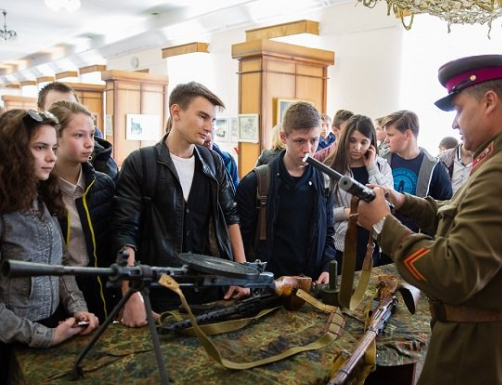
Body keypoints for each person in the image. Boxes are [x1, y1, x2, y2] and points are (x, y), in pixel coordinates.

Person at [356, 54, 502, 385]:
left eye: (459, 108)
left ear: (489, 102)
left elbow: (453, 273)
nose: (454, 123)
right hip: (497, 354)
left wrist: (384, 224)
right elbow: (459, 216)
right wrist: (402, 201)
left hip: (472, 364)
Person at [112, 82, 248, 327]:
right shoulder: (140, 163)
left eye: (213, 120)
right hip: (159, 292)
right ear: (176, 112)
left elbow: (231, 216)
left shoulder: (214, 162)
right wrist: (130, 294)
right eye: (202, 117)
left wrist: (241, 274)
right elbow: (125, 232)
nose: (209, 127)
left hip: (211, 291)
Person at [0, 109, 99, 385]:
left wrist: (78, 309)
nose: (52, 157)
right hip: (11, 346)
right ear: (14, 151)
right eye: (40, 148)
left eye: (53, 148)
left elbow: (60, 264)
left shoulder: (41, 197)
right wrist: (47, 336)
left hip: (51, 329)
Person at [236, 102, 334, 284]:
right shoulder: (254, 183)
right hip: (268, 283)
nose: (308, 149)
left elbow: (328, 231)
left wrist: (327, 266)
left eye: (314, 141)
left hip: (311, 281)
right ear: (283, 137)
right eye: (300, 141)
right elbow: (241, 238)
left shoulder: (325, 181)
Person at [48, 101, 117, 323]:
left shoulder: (103, 184)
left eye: (91, 135)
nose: (89, 143)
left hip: (100, 286)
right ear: (55, 138)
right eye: (79, 135)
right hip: (56, 293)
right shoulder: (38, 190)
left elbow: (113, 243)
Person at [324, 114, 392, 271]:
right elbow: (322, 213)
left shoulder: (381, 166)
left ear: (371, 143)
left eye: (364, 142)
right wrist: (348, 213)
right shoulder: (331, 167)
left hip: (372, 244)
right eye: (352, 141)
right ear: (344, 139)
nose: (357, 147)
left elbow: (388, 203)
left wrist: (371, 168)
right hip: (340, 245)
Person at [382, 110, 452, 232]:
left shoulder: (435, 167)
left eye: (391, 135)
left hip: (417, 238)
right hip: (383, 236)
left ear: (407, 134)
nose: (385, 140)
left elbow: (446, 209)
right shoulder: (380, 160)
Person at [37, 82, 119, 183]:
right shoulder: (28, 164)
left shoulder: (102, 159)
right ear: (40, 112)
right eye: (56, 108)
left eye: (71, 105)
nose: (67, 111)